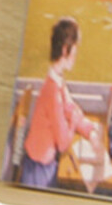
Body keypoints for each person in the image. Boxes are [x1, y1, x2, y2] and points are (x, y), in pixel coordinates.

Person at [19, 16, 101, 189]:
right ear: (65, 50)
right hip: (38, 172)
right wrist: (73, 122)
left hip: (45, 165)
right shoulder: (53, 92)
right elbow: (63, 143)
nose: (75, 57)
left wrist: (91, 131)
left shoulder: (57, 82)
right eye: (74, 51)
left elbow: (72, 110)